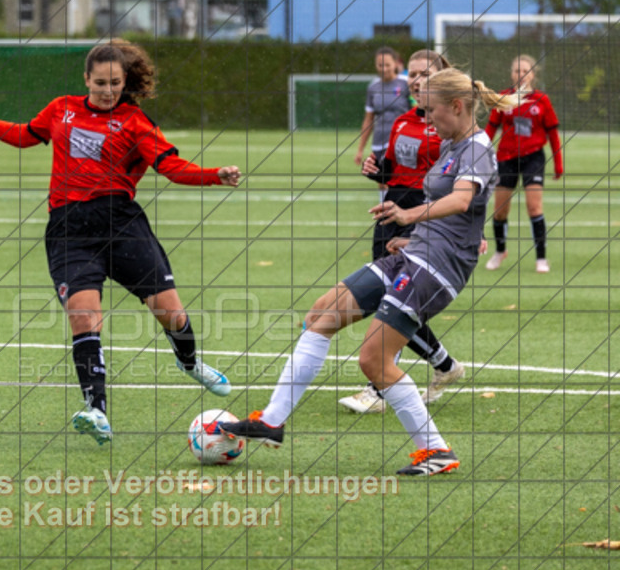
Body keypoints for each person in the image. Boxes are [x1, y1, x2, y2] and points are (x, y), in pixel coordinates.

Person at [220, 68, 524, 476]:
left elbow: (461, 201)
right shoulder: (453, 145)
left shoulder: (477, 148)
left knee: (373, 359)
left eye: (432, 109)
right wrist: (415, 235)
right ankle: (271, 422)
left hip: (437, 270)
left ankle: (436, 452)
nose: (427, 117)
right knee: (321, 315)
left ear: (456, 106)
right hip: (414, 255)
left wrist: (409, 215)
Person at [0, 39, 241, 445]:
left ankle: (189, 362)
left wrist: (214, 174)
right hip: (69, 229)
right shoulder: (61, 108)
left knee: (170, 313)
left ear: (124, 82)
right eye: (100, 82)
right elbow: (22, 135)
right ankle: (96, 409)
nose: (107, 90)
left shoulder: (136, 122)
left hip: (121, 224)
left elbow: (171, 167)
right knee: (84, 317)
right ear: (86, 79)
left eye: (115, 83)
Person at [338, 50, 466, 415]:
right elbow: (395, 172)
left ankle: (377, 387)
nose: (416, 80)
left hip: (424, 223)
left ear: (443, 79)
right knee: (387, 300)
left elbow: (461, 187)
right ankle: (444, 365)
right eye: (412, 74)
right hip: (389, 218)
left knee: (394, 302)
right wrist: (374, 170)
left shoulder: (453, 130)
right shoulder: (402, 122)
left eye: (425, 74)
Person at [484, 54, 563, 273]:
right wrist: (477, 153)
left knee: (534, 207)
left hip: (533, 158)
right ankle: (500, 251)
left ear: (533, 75)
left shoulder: (542, 100)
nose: (521, 75)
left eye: (525, 71)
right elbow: (491, 127)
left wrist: (558, 164)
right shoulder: (503, 98)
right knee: (500, 211)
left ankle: (541, 258)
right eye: (517, 71)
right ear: (511, 74)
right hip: (506, 158)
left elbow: (553, 134)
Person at [354, 47, 411, 168]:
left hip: (402, 141)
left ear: (395, 64)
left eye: (387, 65)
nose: (384, 69)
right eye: (380, 65)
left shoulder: (406, 83)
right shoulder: (373, 87)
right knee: (382, 180)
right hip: (379, 140)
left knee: (398, 180)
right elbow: (368, 120)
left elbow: (417, 112)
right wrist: (360, 149)